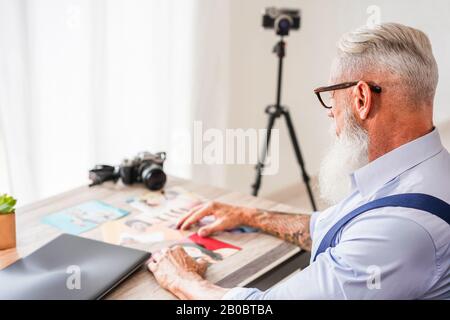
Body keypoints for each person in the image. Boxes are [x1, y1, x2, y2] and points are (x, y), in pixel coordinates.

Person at [147, 22, 450, 299]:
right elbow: (329, 226)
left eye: (331, 95)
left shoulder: (399, 229)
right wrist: (251, 216)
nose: (331, 111)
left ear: (361, 99)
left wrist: (181, 278)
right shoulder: (416, 170)